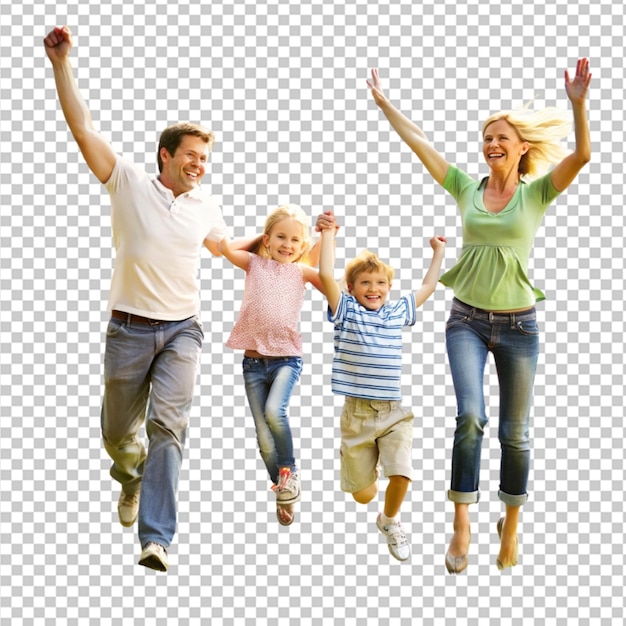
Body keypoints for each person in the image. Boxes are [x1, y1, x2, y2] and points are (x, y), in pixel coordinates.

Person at [366, 59, 591, 572]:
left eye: (501, 138)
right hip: (466, 320)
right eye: (487, 137)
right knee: (471, 417)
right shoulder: (467, 188)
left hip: (519, 327)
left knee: (517, 432)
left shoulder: (537, 193)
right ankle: (461, 523)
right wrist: (385, 104)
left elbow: (582, 154)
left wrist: (578, 104)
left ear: (521, 148)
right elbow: (421, 142)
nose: (491, 144)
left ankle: (509, 524)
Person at [44, 25, 242, 571]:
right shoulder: (127, 180)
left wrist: (290, 250)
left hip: (183, 330)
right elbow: (81, 127)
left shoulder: (205, 205)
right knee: (117, 434)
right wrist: (62, 63)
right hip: (128, 330)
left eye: (206, 157)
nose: (200, 163)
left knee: (169, 429)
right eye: (192, 155)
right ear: (166, 155)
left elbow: (227, 247)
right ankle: (128, 476)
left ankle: (157, 540)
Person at [318, 212, 446, 561]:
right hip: (357, 415)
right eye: (365, 283)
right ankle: (361, 462)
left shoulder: (396, 313)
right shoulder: (345, 310)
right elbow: (325, 275)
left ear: (389, 289)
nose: (373, 289)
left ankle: (389, 521)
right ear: (351, 289)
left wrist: (437, 252)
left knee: (402, 472)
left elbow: (428, 288)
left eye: (380, 283)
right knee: (363, 494)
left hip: (393, 413)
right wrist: (328, 234)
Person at [219, 205, 326, 526]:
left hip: (286, 360)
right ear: (268, 239)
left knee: (274, 412)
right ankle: (283, 489)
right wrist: (259, 239)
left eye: (295, 239)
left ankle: (290, 471)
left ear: (302, 246)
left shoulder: (301, 272)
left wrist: (324, 235)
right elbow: (226, 248)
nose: (287, 244)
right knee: (264, 440)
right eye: (280, 237)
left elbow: (325, 270)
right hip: (253, 363)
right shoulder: (255, 264)